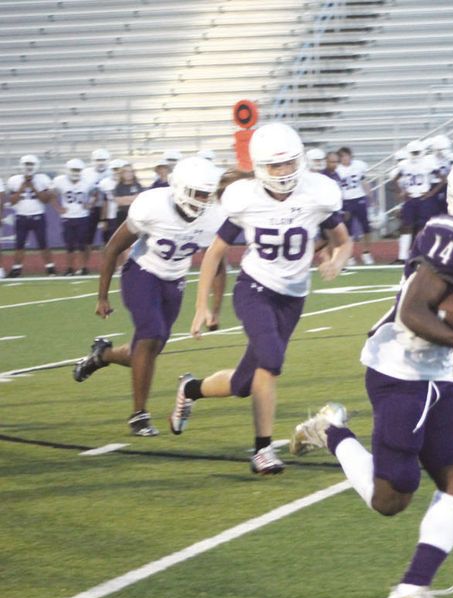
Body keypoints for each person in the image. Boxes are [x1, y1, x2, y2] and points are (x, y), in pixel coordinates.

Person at [289, 153, 453, 598]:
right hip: (397, 369)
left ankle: (411, 591)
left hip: (437, 372)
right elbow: (413, 312)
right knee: (390, 499)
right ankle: (331, 431)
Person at [170, 122, 355, 475]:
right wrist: (201, 307)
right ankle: (262, 450)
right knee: (270, 360)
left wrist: (337, 258)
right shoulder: (245, 197)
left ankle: (189, 389)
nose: (284, 172)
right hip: (254, 288)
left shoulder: (318, 193)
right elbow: (213, 253)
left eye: (289, 163)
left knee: (244, 383)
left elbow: (344, 240)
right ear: (259, 166)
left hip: (293, 296)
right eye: (275, 165)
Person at [72, 157, 227, 436]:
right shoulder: (153, 205)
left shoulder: (214, 216)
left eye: (207, 193)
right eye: (198, 193)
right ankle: (139, 414)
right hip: (141, 272)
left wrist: (214, 309)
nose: (204, 200)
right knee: (150, 334)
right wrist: (102, 296)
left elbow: (217, 264)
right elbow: (111, 249)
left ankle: (102, 355)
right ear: (180, 188)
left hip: (174, 280)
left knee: (146, 352)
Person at [394, 140, 444, 263]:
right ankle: (402, 256)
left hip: (423, 198)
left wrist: (432, 192)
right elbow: (395, 179)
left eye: (417, 152)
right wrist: (401, 191)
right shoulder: (404, 164)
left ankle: (420, 253)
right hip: (411, 198)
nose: (415, 155)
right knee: (406, 226)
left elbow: (443, 179)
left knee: (423, 226)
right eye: (413, 152)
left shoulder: (429, 162)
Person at [5, 155, 54, 278]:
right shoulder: (14, 180)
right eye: (26, 164)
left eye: (31, 164)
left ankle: (50, 268)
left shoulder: (42, 179)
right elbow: (12, 201)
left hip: (38, 215)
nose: (28, 167)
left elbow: (46, 200)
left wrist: (34, 187)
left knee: (43, 244)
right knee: (19, 245)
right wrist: (22, 188)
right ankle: (16, 269)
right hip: (21, 216)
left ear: (36, 165)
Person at [51, 158, 94, 275]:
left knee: (82, 245)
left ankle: (83, 267)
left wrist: (90, 203)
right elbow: (52, 195)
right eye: (73, 170)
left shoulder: (87, 181)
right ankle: (70, 268)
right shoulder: (60, 181)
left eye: (78, 170)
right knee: (69, 246)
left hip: (82, 217)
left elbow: (96, 193)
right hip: (67, 217)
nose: (75, 173)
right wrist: (58, 208)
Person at [335, 146, 374, 266]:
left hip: (359, 199)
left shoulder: (358, 166)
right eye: (341, 157)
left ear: (350, 156)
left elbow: (363, 181)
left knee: (366, 228)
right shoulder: (337, 169)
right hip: (346, 201)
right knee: (347, 231)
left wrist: (370, 196)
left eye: (345, 156)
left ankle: (366, 252)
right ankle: (349, 255)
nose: (344, 159)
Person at [81, 149, 112, 250]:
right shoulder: (85, 173)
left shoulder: (112, 172)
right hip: (91, 208)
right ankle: (84, 265)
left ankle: (110, 264)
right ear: (93, 160)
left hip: (108, 209)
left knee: (109, 238)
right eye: (98, 160)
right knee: (87, 239)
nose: (100, 162)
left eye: (103, 159)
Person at [111, 164, 144, 237]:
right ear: (122, 174)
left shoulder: (137, 185)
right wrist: (133, 198)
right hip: (123, 215)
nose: (129, 174)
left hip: (136, 215)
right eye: (126, 172)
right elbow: (119, 202)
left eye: (131, 171)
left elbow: (140, 199)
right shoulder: (118, 187)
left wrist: (125, 198)